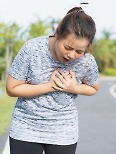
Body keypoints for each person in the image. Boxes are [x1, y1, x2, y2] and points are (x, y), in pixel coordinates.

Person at [6, 7, 99, 154]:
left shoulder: (87, 61)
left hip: (63, 132)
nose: (71, 55)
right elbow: (11, 88)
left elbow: (93, 88)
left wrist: (73, 88)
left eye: (79, 51)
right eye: (67, 47)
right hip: (26, 128)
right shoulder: (32, 49)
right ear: (58, 33)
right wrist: (50, 86)